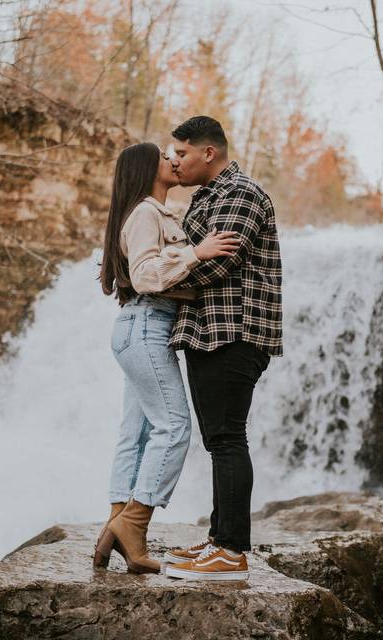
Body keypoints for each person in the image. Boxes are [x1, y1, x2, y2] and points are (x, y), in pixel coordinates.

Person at [94, 141, 240, 574]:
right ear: (147, 168)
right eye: (165, 157)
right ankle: (134, 524)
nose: (174, 161)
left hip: (136, 328)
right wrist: (196, 253)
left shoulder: (151, 213)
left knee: (135, 433)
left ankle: (114, 528)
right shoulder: (144, 213)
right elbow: (143, 276)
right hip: (147, 325)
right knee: (174, 426)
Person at [161, 116, 283, 581]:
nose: (175, 161)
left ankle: (232, 552)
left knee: (228, 438)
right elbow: (195, 256)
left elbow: (217, 267)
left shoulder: (241, 194)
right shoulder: (207, 198)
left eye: (182, 153)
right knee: (219, 440)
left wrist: (157, 274)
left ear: (207, 152)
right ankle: (219, 539)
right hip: (206, 331)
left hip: (233, 333)